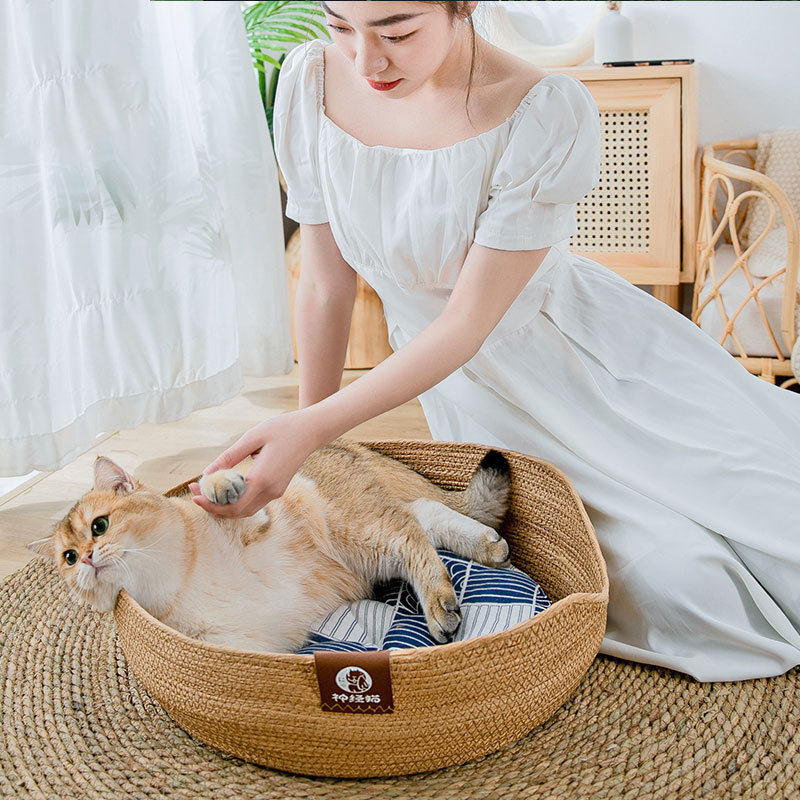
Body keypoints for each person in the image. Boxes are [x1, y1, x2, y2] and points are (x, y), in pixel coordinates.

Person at [189, 1, 800, 682]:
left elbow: (466, 324)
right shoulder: (311, 84)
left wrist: (308, 430)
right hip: (470, 395)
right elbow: (327, 286)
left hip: (588, 366)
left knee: (756, 540)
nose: (365, 61)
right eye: (340, 25)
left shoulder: (542, 111)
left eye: (397, 31)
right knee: (682, 584)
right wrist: (311, 457)